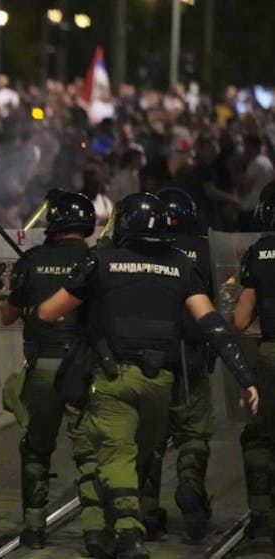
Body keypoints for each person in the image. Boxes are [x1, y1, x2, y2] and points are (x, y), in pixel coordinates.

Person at [38, 192, 259, 559]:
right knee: (141, 454)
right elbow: (213, 326)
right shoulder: (179, 267)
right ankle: (133, 520)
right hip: (162, 383)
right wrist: (244, 375)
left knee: (118, 455)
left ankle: (128, 534)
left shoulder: (102, 261)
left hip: (112, 379)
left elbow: (49, 312)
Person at [0, 190, 102, 549]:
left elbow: (7, 315)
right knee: (88, 450)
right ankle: (95, 530)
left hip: (42, 365)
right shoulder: (95, 259)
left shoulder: (31, 260)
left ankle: (34, 527)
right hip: (82, 369)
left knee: (36, 448)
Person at [140, 187, 216, 541]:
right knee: (194, 432)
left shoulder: (148, 251)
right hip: (193, 357)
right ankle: (189, 482)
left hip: (152, 356)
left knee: (152, 436)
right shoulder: (205, 250)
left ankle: (147, 511)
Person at [233, 196, 275, 543]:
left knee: (260, 435)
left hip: (271, 355)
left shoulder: (259, 253)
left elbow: (240, 319)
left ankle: (262, 516)